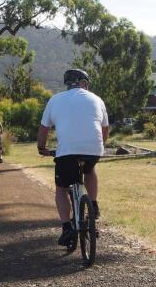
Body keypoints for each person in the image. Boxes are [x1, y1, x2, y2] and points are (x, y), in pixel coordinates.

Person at [37, 69, 109, 246]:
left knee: (61, 188)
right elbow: (105, 129)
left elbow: (44, 129)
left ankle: (67, 227)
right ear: (84, 83)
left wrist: (42, 148)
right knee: (90, 169)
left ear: (67, 84)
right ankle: (93, 204)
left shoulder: (55, 100)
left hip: (67, 152)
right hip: (93, 149)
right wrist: (99, 145)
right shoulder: (97, 99)